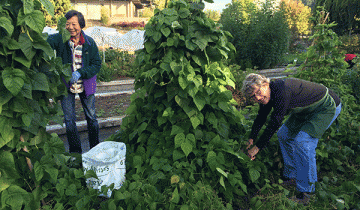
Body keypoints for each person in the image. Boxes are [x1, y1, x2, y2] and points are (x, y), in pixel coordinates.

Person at [241, 73, 341, 204]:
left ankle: (307, 192)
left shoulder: (282, 91)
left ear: (265, 84)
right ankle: (293, 176)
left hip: (325, 106)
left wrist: (257, 148)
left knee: (303, 142)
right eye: (253, 96)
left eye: (259, 92)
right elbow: (261, 117)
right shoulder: (267, 96)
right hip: (305, 110)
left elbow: (274, 123)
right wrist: (251, 139)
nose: (258, 97)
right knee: (284, 135)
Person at [47, 10, 101, 155]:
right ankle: (75, 153)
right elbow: (46, 42)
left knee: (91, 117)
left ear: (81, 25)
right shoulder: (61, 40)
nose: (71, 27)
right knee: (69, 120)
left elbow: (96, 64)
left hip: (86, 85)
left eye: (74, 24)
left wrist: (80, 73)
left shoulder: (89, 43)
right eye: (67, 24)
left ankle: (95, 149)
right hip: (67, 85)